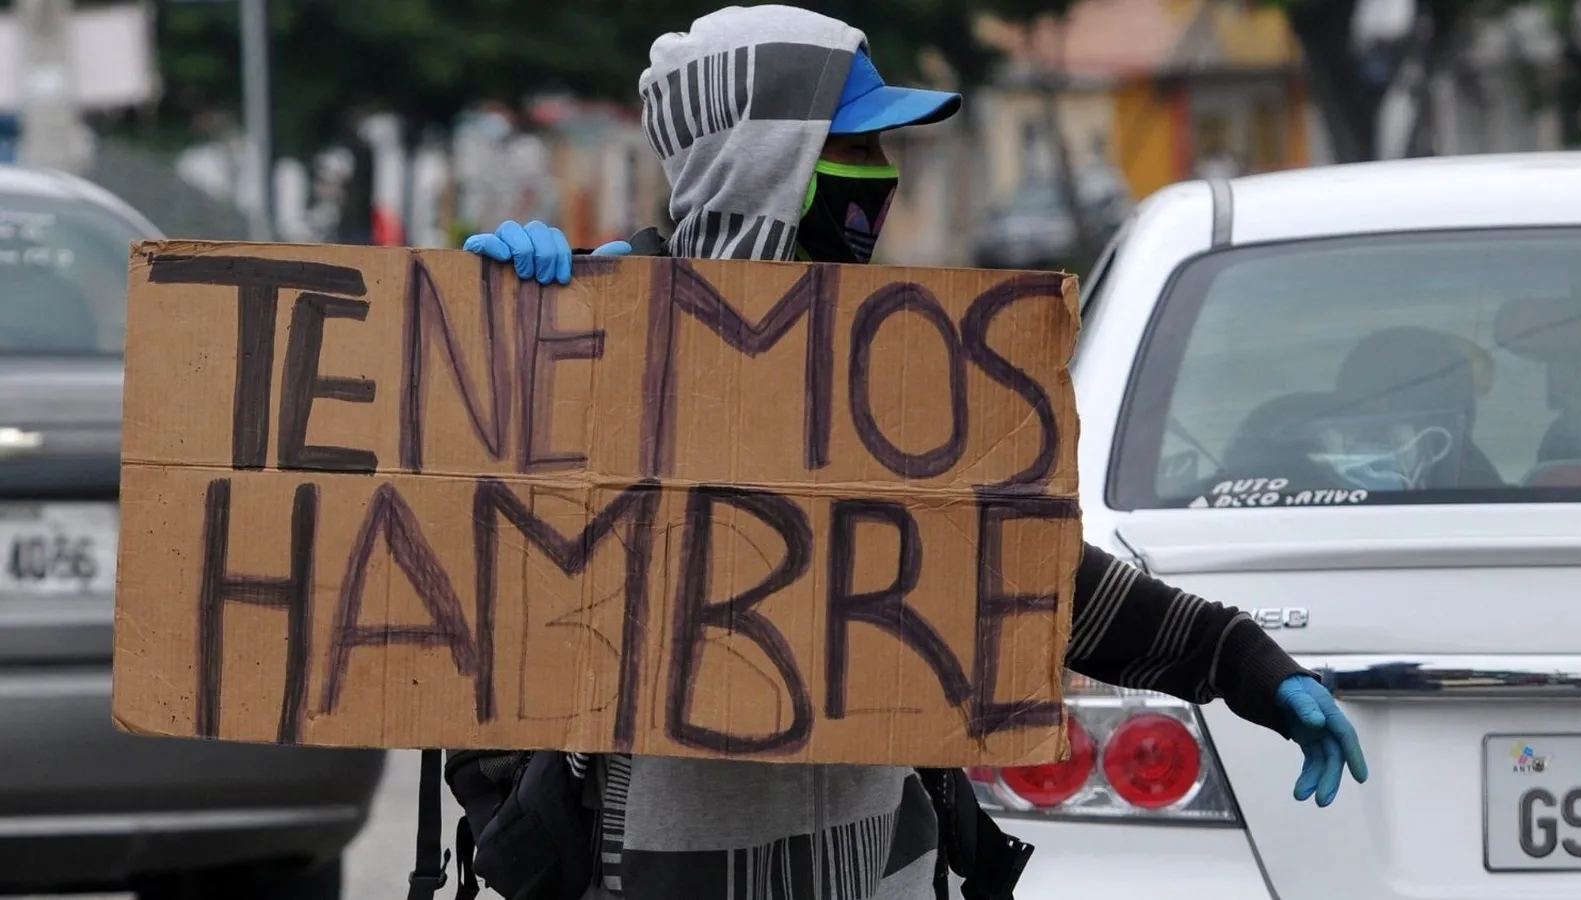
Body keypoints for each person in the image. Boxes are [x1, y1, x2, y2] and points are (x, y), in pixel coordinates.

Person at [461, 7, 1368, 900]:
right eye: (853, 147)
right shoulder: (594, 337)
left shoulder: (894, 366)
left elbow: (1012, 567)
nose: (882, 175)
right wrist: (500, 326)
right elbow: (468, 573)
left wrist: (1238, 660)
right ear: (764, 159)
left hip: (880, 859)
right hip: (664, 860)